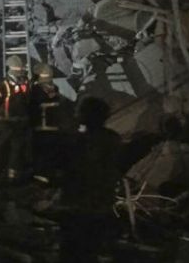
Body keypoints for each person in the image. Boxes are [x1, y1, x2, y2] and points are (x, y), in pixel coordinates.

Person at [59, 96, 123, 263]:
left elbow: (72, 170)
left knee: (72, 251)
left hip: (79, 207)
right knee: (90, 250)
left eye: (80, 111)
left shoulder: (80, 141)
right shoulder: (113, 139)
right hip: (101, 205)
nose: (76, 114)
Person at [0, 55, 33, 183]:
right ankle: (12, 178)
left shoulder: (3, 85)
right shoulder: (25, 83)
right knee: (15, 151)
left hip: (5, 123)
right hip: (19, 123)